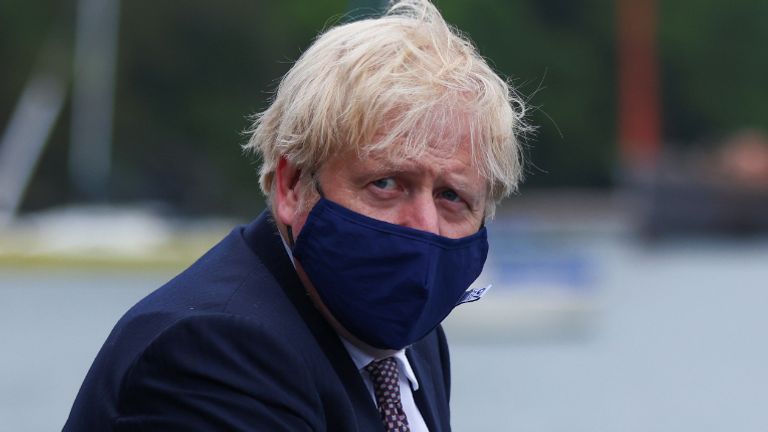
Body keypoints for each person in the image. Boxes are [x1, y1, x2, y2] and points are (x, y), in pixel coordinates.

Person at [63, 0, 526, 430]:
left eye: (451, 196)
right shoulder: (211, 353)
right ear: (291, 185)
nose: (424, 225)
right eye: (386, 184)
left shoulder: (408, 340)